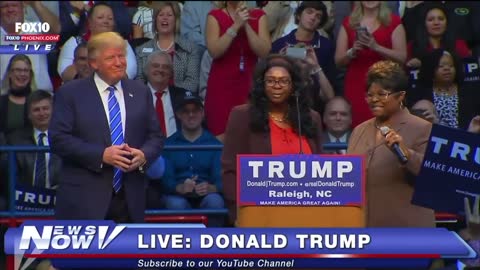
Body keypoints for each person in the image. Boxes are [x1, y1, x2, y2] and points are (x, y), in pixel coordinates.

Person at [221, 54, 363, 227]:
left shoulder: (312, 118)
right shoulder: (242, 116)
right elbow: (230, 170)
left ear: (293, 86)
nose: (277, 86)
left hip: (308, 215)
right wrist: (238, 213)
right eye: (271, 81)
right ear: (262, 84)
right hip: (261, 215)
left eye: (283, 81)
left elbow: (318, 167)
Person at [49, 31, 163, 223]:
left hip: (129, 198)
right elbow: (59, 140)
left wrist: (143, 155)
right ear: (94, 63)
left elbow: (156, 137)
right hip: (84, 199)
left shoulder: (140, 91)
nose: (119, 62)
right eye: (111, 57)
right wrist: (101, 155)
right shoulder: (70, 93)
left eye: (122, 56)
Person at [347, 60, 435, 227]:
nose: (374, 99)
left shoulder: (422, 128)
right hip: (366, 230)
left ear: (400, 96)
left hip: (406, 230)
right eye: (369, 94)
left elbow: (434, 178)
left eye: (382, 94)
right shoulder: (359, 131)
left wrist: (407, 155)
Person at [205, 1, 271, 141]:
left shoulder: (259, 16)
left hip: (249, 85)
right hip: (221, 86)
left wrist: (245, 23)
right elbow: (215, 51)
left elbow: (264, 51)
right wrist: (236, 25)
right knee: (221, 136)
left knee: (250, 135)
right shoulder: (214, 16)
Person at [335, 1, 407, 128]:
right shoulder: (349, 23)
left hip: (386, 85)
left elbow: (402, 58)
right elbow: (338, 61)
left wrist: (376, 47)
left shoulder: (393, 22)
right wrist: (352, 51)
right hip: (356, 84)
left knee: (386, 127)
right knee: (359, 128)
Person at [159, 92, 225, 227]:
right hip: (178, 196)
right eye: (185, 111)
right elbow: (166, 181)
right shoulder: (168, 145)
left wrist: (210, 188)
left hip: (206, 196)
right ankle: (182, 246)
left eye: (195, 110)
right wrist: (180, 188)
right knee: (175, 204)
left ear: (202, 113)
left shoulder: (215, 144)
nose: (191, 115)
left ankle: (213, 245)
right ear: (178, 115)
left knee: (215, 202)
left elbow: (221, 180)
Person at [57, 3, 137, 82]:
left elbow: (127, 75)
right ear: (89, 22)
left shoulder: (122, 44)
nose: (106, 21)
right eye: (100, 17)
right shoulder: (74, 42)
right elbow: (65, 75)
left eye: (110, 18)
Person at [271, 1, 336, 95]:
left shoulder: (326, 46)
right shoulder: (279, 44)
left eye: (318, 16)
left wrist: (316, 67)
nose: (313, 17)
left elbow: (330, 94)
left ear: (320, 23)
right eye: (309, 12)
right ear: (298, 16)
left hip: (315, 101)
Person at [135, 1, 201, 92]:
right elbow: (140, 80)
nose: (164, 18)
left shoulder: (191, 49)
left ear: (176, 20)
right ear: (155, 19)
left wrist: (168, 95)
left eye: (169, 15)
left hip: (180, 102)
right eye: (161, 15)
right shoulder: (141, 50)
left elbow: (192, 82)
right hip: (150, 100)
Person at [6, 90, 61, 189]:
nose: (42, 113)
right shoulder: (15, 140)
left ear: (53, 111)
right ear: (29, 115)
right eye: (36, 110)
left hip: (58, 197)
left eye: (45, 108)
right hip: (25, 199)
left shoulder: (65, 138)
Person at [414, 49, 480, 130]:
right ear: (431, 68)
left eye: (451, 65)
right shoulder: (422, 93)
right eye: (441, 66)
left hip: (466, 137)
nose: (447, 68)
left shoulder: (469, 91)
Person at [406, 3, 471, 69]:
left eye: (441, 19)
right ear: (424, 24)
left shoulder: (459, 44)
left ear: (447, 22)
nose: (436, 23)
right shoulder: (412, 46)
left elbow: (467, 66)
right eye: (430, 20)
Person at [144, 50, 193, 138]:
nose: (160, 69)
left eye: (165, 67)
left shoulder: (182, 95)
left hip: (176, 147)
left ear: (171, 73)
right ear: (147, 70)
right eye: (155, 66)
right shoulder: (136, 95)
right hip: (144, 148)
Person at [0, 55, 36, 136]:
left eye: (26, 70)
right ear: (9, 73)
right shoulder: (1, 102)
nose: (22, 74)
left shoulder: (38, 101)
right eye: (18, 70)